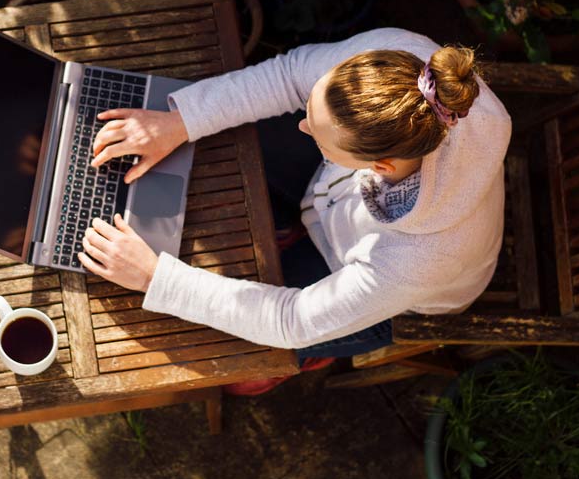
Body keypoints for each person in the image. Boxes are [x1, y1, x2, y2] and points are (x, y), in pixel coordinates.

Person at [79, 27, 512, 394]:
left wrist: (155, 278)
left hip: (396, 293)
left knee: (237, 366)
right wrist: (179, 123)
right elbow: (288, 76)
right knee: (235, 137)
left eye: (319, 136)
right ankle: (298, 221)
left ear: (380, 166)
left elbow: (293, 319)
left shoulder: (416, 261)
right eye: (311, 111)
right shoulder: (399, 67)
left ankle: (318, 351)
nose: (302, 126)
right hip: (339, 196)